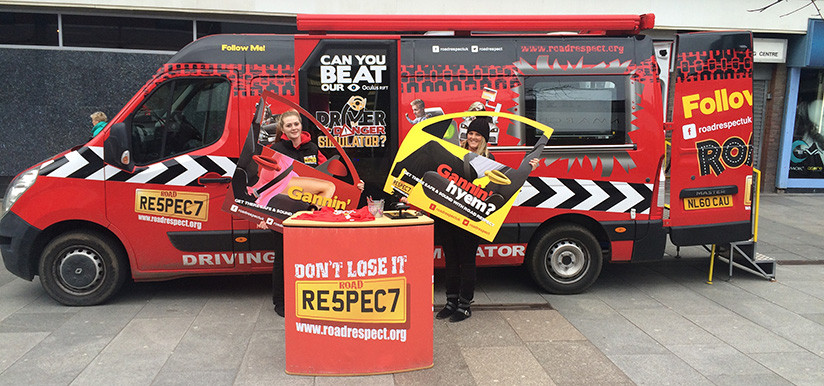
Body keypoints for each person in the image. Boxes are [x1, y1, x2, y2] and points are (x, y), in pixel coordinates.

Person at [434, 116, 540, 322]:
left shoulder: (490, 162)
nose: (473, 138)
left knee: (467, 261)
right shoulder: (456, 154)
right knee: (451, 260)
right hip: (447, 216)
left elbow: (508, 184)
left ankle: (464, 305)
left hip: (472, 219)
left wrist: (529, 168)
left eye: (478, 135)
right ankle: (450, 301)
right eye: (470, 134)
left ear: (484, 139)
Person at [267, 109, 364, 317]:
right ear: (282, 129)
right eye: (289, 125)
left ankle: (302, 298)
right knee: (282, 257)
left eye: (296, 124)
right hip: (282, 210)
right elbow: (266, 181)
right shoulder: (276, 149)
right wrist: (262, 213)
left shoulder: (313, 148)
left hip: (308, 212)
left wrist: (355, 186)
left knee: (305, 257)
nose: (294, 128)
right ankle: (280, 302)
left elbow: (330, 174)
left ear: (301, 125)